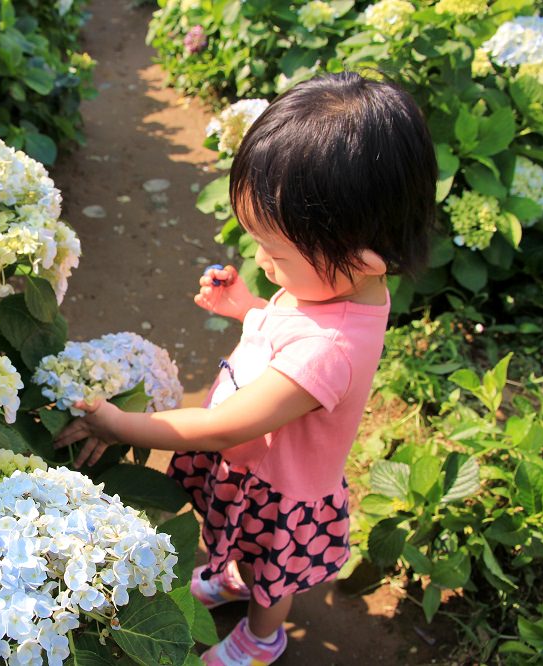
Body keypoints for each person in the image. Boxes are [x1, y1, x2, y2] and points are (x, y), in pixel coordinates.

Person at [54, 71, 437, 665]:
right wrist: (250, 309)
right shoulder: (337, 291)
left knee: (272, 573)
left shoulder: (328, 349)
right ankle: (232, 576)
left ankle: (263, 635)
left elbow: (225, 427)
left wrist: (118, 425)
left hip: (278, 492)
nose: (260, 260)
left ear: (363, 258)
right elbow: (291, 332)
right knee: (239, 547)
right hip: (258, 472)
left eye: (277, 252)